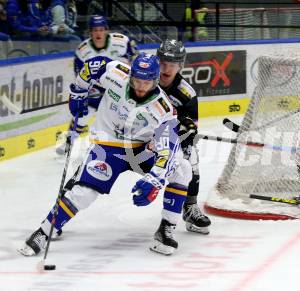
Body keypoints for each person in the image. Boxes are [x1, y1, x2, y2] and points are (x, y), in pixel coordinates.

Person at [18, 53, 192, 256]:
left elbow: (169, 152)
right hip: (108, 145)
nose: (140, 87)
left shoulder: (164, 109)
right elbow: (93, 65)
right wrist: (78, 91)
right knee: (83, 193)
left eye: (146, 82)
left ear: (155, 80)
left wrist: (155, 180)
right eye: (137, 80)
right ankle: (44, 232)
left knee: (183, 169)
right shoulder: (117, 73)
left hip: (141, 149)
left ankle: (166, 229)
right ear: (131, 76)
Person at [56, 14, 138, 155]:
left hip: (122, 88)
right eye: (94, 30)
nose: (98, 33)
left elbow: (136, 58)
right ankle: (69, 143)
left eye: (101, 29)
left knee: (128, 116)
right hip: (97, 89)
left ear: (106, 30)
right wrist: (89, 89)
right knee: (82, 116)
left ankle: (134, 145)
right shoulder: (83, 51)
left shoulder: (122, 42)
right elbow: (80, 75)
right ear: (90, 32)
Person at [156, 39, 211, 234]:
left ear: (181, 65)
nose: (166, 68)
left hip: (165, 140)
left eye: (172, 64)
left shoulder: (186, 93)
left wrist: (186, 129)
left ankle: (189, 207)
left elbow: (191, 130)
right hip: (138, 136)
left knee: (191, 155)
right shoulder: (144, 80)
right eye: (163, 63)